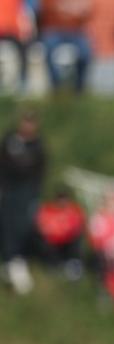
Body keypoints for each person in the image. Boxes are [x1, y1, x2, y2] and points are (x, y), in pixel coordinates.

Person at [0, 111, 45, 295]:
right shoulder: (10, 140)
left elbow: (39, 170)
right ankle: (9, 260)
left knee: (23, 226)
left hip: (26, 192)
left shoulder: (38, 146)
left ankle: (19, 260)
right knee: (7, 225)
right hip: (8, 190)